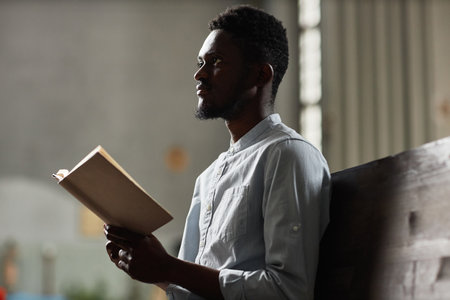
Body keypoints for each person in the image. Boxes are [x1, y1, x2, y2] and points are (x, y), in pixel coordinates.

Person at [104, 5, 330, 300]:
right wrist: (155, 270)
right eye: (201, 62)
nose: (199, 74)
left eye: (216, 61)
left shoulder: (286, 155)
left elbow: (288, 291)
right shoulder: (208, 178)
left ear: (260, 75)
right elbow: (189, 289)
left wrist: (168, 268)